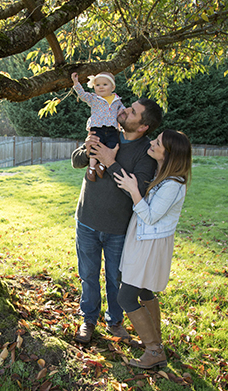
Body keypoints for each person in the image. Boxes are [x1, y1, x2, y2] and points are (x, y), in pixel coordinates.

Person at [71, 97, 163, 344]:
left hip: (119, 229)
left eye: (132, 112)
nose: (123, 110)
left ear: (143, 126)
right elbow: (76, 161)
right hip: (87, 220)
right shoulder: (105, 130)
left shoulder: (146, 153)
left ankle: (115, 322)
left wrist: (110, 162)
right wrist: (88, 148)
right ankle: (89, 319)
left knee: (116, 279)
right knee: (88, 275)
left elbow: (137, 192)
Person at [114, 129, 192, 369]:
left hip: (150, 244)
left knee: (126, 296)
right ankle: (155, 344)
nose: (153, 143)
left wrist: (132, 188)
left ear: (168, 154)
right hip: (143, 240)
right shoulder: (163, 174)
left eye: (158, 143)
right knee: (145, 292)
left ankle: (154, 349)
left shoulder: (173, 184)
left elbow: (150, 216)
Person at [71, 72, 125, 181]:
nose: (101, 87)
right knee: (95, 146)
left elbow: (122, 110)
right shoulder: (94, 98)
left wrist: (121, 113)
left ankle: (102, 166)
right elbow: (82, 95)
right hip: (97, 127)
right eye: (97, 85)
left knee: (112, 145)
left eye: (105, 84)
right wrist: (76, 83)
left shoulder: (117, 100)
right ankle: (91, 168)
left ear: (113, 87)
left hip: (112, 128)